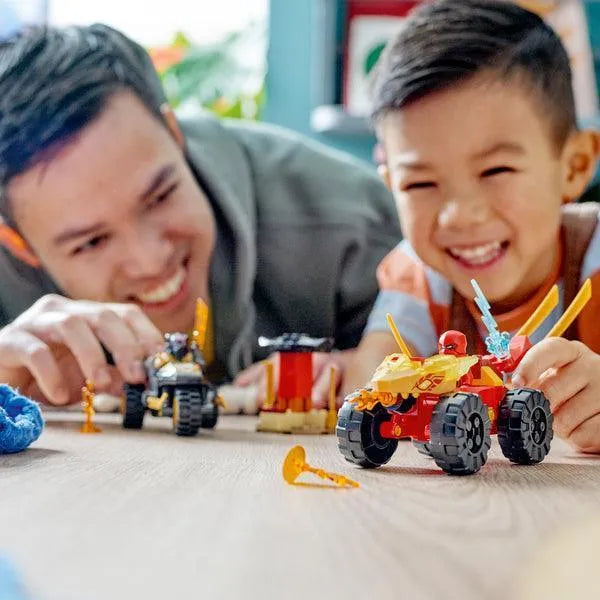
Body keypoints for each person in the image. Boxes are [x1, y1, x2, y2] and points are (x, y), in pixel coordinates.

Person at [0, 24, 400, 407]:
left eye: (160, 197)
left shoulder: (355, 220)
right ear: (17, 244)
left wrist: (359, 369)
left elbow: (435, 350)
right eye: (91, 242)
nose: (150, 261)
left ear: (175, 134)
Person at [345, 0, 600, 452]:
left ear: (574, 166)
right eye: (420, 183)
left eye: (495, 170)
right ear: (392, 187)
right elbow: (371, 378)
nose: (458, 216)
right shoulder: (418, 275)